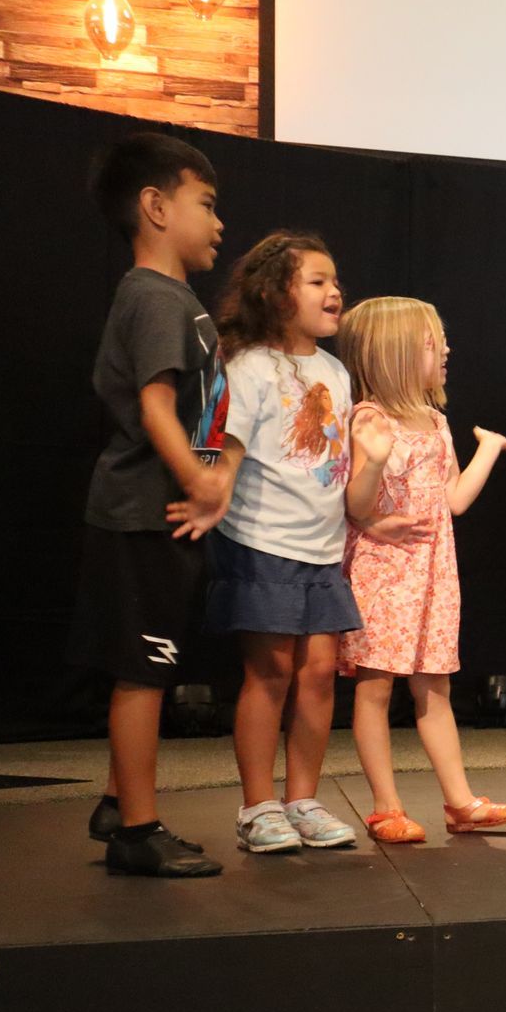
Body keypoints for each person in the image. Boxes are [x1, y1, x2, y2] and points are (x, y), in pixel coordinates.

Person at [70, 132, 229, 876]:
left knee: (153, 663)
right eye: (207, 204)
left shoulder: (176, 300)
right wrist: (199, 481)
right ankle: (136, 830)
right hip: (141, 515)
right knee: (143, 670)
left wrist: (213, 476)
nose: (219, 223)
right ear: (156, 207)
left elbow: (207, 411)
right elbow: (157, 407)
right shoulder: (155, 297)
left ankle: (116, 801)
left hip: (161, 515)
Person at [338, 296, 506, 841]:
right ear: (395, 354)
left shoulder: (436, 421)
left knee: (435, 687)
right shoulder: (370, 419)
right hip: (383, 571)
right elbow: (356, 503)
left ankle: (460, 802)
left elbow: (455, 499)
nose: (445, 351)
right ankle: (386, 807)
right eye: (432, 343)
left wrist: (488, 449)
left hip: (432, 574)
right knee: (375, 688)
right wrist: (376, 469)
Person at [207, 232, 362, 853]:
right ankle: (257, 807)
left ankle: (302, 799)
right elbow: (221, 446)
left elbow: (335, 456)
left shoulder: (335, 371)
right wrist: (209, 494)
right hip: (261, 539)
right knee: (270, 671)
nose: (335, 291)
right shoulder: (246, 367)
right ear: (275, 293)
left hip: (322, 547)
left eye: (335, 281)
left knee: (319, 673)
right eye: (318, 281)